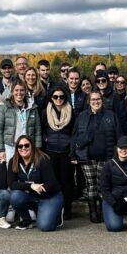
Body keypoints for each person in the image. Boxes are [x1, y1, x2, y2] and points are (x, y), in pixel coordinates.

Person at [72, 92, 121, 223]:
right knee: (91, 184)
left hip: (106, 156)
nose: (96, 101)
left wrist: (118, 154)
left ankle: (104, 210)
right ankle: (93, 211)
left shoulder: (111, 115)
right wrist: (73, 153)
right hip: (86, 157)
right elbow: (75, 136)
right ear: (89, 101)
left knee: (103, 184)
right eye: (93, 99)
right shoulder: (82, 116)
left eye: (98, 99)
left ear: (102, 100)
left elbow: (118, 136)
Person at [8, 135, 64, 231]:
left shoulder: (43, 159)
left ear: (32, 146)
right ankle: (27, 219)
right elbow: (12, 184)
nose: (23, 148)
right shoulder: (13, 161)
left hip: (50, 196)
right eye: (20, 146)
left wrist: (37, 188)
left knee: (45, 227)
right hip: (33, 194)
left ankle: (56, 212)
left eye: (26, 145)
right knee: (14, 196)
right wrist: (31, 186)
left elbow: (51, 184)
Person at [41, 85, 76, 219]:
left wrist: (72, 149)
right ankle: (54, 208)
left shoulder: (70, 112)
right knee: (52, 181)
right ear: (51, 98)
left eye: (61, 96)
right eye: (55, 96)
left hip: (66, 151)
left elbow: (74, 132)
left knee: (67, 182)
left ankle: (67, 209)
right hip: (50, 151)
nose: (58, 99)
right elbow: (43, 131)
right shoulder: (45, 112)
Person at [0, 82, 41, 160]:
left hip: (27, 146)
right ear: (12, 92)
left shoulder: (32, 108)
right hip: (10, 146)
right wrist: (1, 150)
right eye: (16, 90)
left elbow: (37, 129)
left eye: (22, 90)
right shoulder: (5, 107)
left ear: (25, 91)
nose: (19, 93)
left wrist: (37, 148)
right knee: (11, 170)